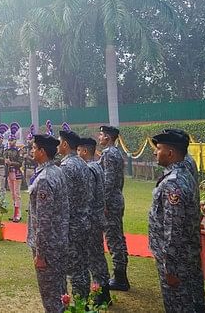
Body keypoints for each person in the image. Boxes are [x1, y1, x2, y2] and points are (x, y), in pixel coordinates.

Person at [149, 130, 205, 313]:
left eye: (158, 148)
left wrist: (170, 267)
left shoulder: (173, 183)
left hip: (176, 260)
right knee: (190, 299)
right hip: (187, 255)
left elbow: (173, 229)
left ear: (170, 153)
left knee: (177, 304)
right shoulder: (184, 175)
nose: (155, 152)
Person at [27, 133, 69, 313]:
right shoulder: (57, 171)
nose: (31, 151)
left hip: (48, 247)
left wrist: (41, 254)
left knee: (50, 296)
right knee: (60, 292)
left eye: (34, 148)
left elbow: (43, 220)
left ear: (42, 152)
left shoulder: (44, 178)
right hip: (59, 241)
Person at [58, 123, 92, 301]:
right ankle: (85, 302)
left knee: (74, 268)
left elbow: (65, 200)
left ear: (65, 145)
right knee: (82, 265)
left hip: (72, 224)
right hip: (84, 220)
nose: (57, 146)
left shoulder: (67, 167)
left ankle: (80, 303)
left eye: (59, 142)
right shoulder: (82, 163)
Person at [77, 137, 111, 306]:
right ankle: (104, 292)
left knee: (94, 258)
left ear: (84, 151)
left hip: (90, 219)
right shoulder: (97, 165)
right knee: (98, 256)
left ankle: (101, 294)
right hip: (97, 217)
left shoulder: (88, 169)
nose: (77, 154)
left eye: (78, 151)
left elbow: (88, 197)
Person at [98, 124, 130, 291]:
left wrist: (103, 203)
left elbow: (108, 181)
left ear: (108, 138)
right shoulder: (116, 153)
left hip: (110, 202)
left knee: (113, 239)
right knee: (118, 238)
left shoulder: (109, 153)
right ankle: (121, 275)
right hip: (117, 198)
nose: (99, 137)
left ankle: (120, 278)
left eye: (101, 135)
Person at [5, 122, 23, 222]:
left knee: (17, 193)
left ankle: (18, 214)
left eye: (12, 140)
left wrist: (10, 162)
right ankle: (15, 213)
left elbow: (20, 163)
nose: (10, 142)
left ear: (15, 140)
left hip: (16, 173)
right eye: (9, 140)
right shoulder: (6, 151)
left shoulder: (18, 151)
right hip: (9, 173)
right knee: (12, 194)